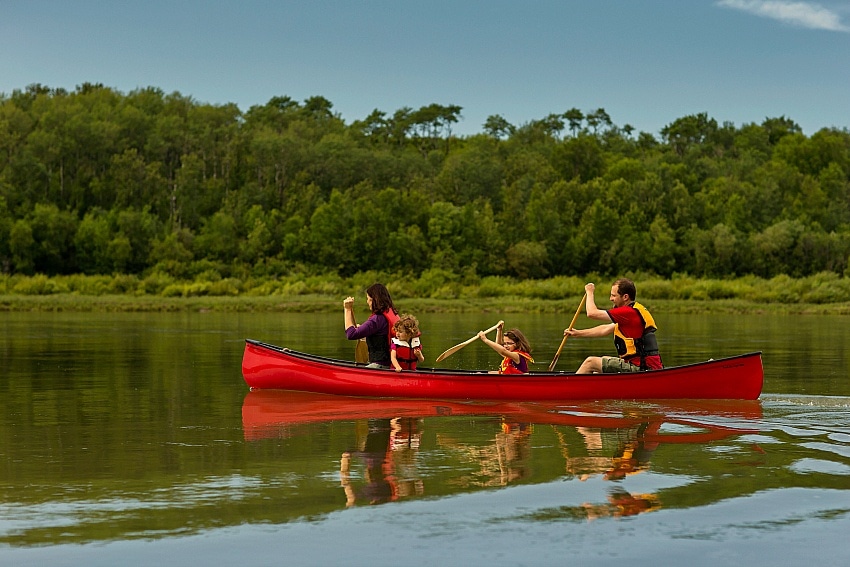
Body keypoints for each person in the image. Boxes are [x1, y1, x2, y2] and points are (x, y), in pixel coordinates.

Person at [564, 279, 662, 374]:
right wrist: (578, 333)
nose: (611, 299)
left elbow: (591, 313)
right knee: (604, 360)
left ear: (625, 297)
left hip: (642, 368)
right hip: (643, 366)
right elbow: (605, 329)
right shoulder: (632, 312)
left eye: (613, 295)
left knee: (590, 362)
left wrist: (590, 292)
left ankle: (568, 388)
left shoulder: (628, 312)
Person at [344, 283, 399, 368]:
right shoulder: (392, 313)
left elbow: (351, 334)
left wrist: (347, 309)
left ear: (375, 300)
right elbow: (381, 337)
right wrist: (362, 330)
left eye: (368, 299)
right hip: (390, 364)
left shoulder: (377, 319)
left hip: (380, 366)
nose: (367, 302)